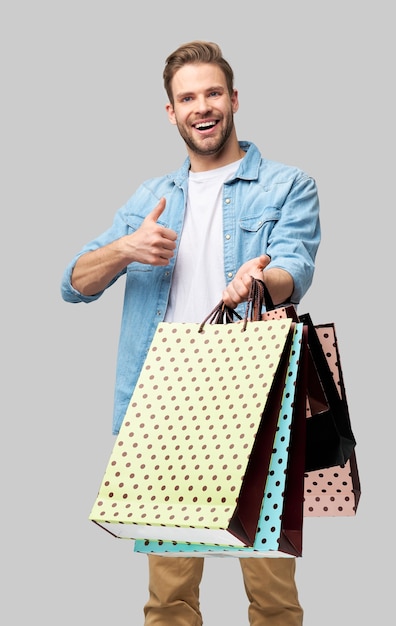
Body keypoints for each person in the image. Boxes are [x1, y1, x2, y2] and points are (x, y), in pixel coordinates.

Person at [61, 40, 320, 626]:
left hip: (256, 407)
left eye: (211, 93)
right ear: (171, 112)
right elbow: (74, 282)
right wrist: (126, 248)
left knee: (272, 594)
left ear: (232, 99)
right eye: (187, 98)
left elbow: (294, 267)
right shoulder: (151, 199)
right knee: (170, 600)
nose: (201, 107)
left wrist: (258, 280)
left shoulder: (287, 185)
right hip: (163, 407)